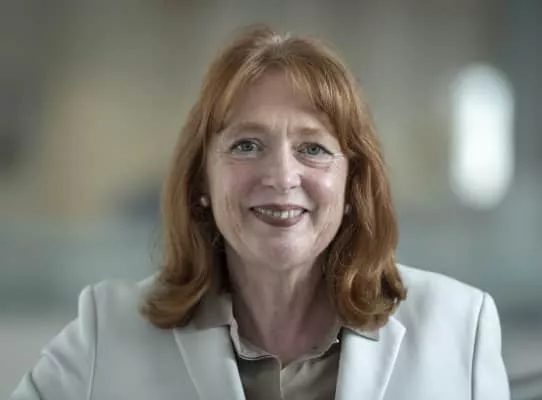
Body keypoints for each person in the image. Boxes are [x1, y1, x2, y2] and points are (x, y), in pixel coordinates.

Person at [10, 25, 510, 400]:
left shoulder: (460, 327)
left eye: (313, 149)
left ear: (351, 185)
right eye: (247, 145)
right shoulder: (108, 330)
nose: (282, 176)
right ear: (201, 181)